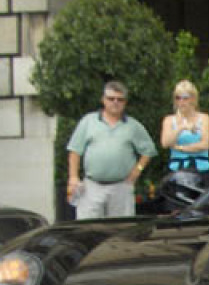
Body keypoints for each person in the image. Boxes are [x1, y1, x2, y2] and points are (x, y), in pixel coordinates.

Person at [66, 80, 156, 219]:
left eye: (120, 99)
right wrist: (73, 177)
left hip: (121, 187)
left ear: (125, 102)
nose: (115, 102)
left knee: (121, 231)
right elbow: (75, 151)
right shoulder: (88, 121)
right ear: (103, 100)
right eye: (111, 98)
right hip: (92, 187)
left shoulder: (133, 126)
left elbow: (148, 151)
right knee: (89, 230)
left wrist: (136, 172)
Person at [160, 79, 209, 193]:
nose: (181, 102)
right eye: (177, 98)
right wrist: (181, 127)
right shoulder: (169, 120)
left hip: (201, 169)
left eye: (185, 98)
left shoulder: (204, 118)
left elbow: (205, 144)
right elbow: (165, 142)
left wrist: (181, 148)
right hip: (177, 169)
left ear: (193, 99)